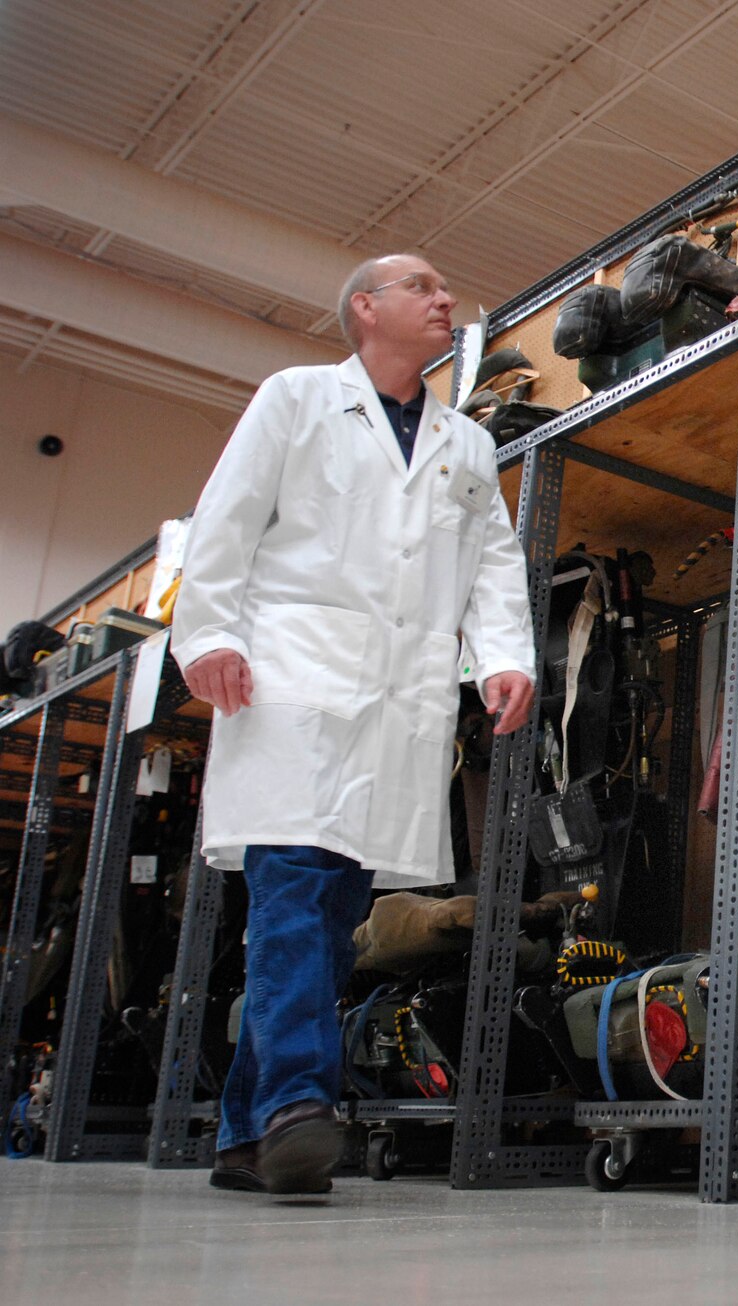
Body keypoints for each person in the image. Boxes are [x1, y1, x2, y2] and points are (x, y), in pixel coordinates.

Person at [172, 254, 535, 1195]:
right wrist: (207, 630)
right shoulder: (296, 398)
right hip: (288, 685)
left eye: (448, 288)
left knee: (333, 924)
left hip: (394, 708)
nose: (445, 298)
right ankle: (300, 1102)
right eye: (422, 286)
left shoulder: (466, 443)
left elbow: (493, 562)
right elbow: (227, 516)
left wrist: (504, 656)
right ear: (365, 309)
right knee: (291, 899)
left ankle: (246, 1139)